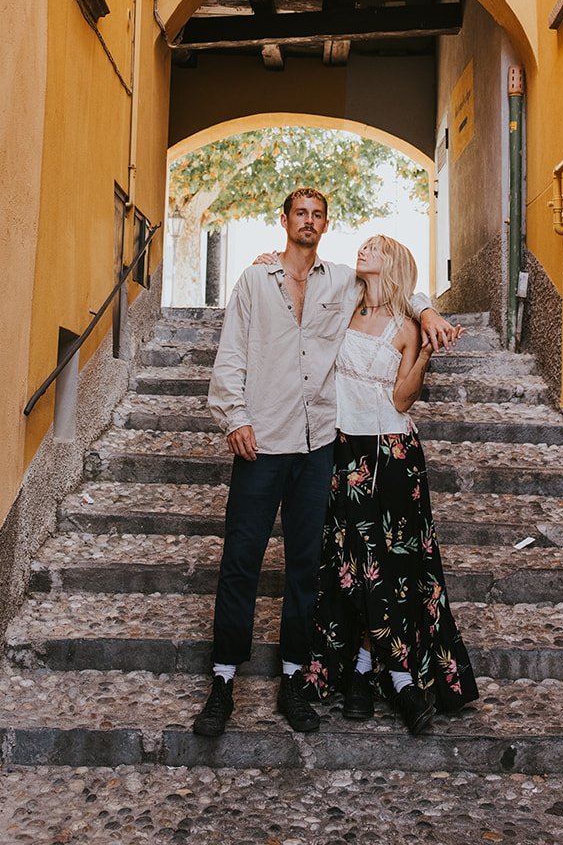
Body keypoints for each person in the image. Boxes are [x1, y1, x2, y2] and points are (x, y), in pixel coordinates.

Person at [192, 187, 456, 738]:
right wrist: (234, 416)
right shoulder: (253, 280)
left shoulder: (342, 280)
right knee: (242, 559)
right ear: (283, 220)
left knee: (305, 568)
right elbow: (232, 351)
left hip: (318, 448)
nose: (308, 222)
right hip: (262, 437)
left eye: (317, 216)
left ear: (324, 225)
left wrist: (428, 308)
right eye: (300, 214)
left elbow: (402, 284)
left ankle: (294, 680)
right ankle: (222, 682)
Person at [304, 234, 479, 734]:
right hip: (341, 450)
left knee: (391, 566)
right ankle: (385, 676)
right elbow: (305, 270)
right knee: (350, 563)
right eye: (363, 245)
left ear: (394, 262)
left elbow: (403, 400)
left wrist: (424, 349)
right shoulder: (341, 306)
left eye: (376, 247)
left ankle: (368, 673)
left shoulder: (406, 326)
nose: (364, 251)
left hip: (391, 453)